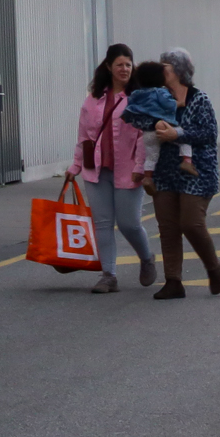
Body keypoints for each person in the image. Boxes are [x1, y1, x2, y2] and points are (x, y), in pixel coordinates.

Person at [68, 44, 156, 293]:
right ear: (109, 67)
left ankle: (147, 258)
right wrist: (75, 165)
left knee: (129, 223)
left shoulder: (138, 98)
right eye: (119, 64)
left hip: (129, 170)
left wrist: (141, 166)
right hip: (96, 170)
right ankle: (108, 275)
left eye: (128, 64)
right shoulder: (93, 100)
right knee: (103, 223)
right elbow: (84, 135)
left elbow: (144, 137)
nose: (124, 69)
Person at [146, 48, 220, 298]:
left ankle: (213, 268)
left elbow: (209, 134)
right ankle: (173, 281)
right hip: (165, 172)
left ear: (179, 70)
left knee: (190, 223)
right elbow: (143, 125)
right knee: (167, 227)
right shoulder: (157, 98)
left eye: (165, 66)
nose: (161, 70)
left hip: (197, 171)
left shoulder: (200, 99)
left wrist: (176, 133)